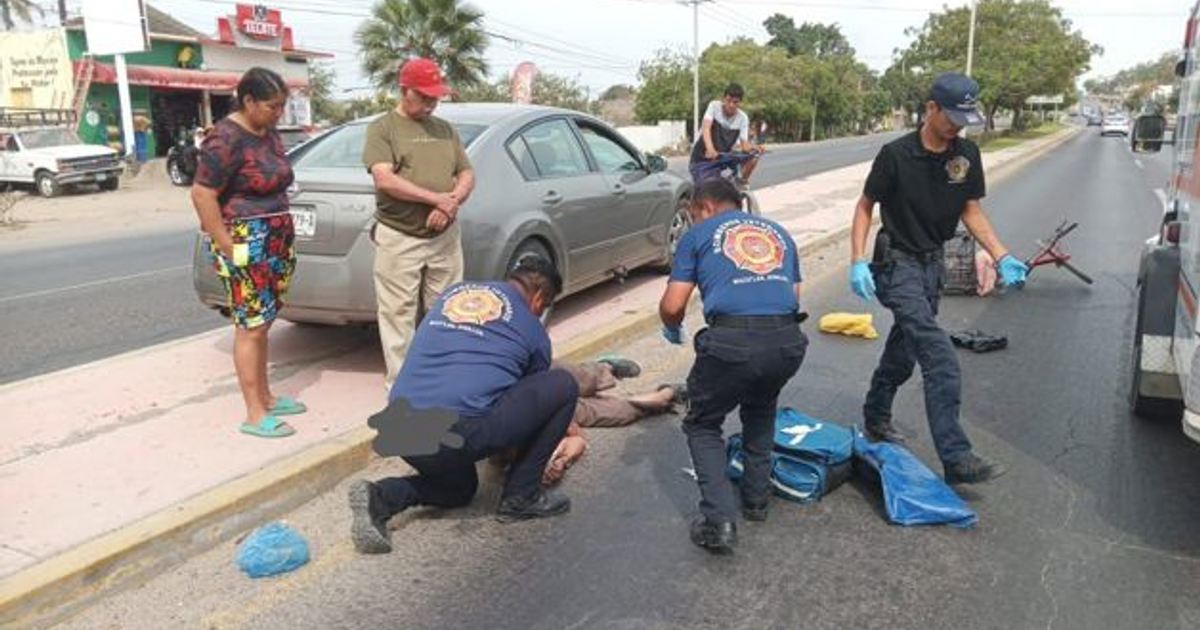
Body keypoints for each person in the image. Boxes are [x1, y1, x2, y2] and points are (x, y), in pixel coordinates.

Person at [848, 71, 1029, 485]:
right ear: (930, 108)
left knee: (906, 347)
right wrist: (857, 260)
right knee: (937, 354)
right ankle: (956, 455)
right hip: (897, 263)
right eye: (951, 116)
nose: (957, 125)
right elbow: (864, 206)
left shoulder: (965, 154)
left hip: (933, 263)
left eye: (965, 117)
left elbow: (971, 211)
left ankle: (876, 413)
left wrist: (1001, 254)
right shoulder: (896, 154)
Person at [348, 257, 578, 555]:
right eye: (544, 306)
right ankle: (521, 498)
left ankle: (382, 497)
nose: (540, 312)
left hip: (398, 428)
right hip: (456, 430)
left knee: (460, 490)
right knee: (563, 385)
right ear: (538, 296)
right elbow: (528, 409)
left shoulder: (454, 293)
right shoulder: (533, 330)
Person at [659, 178, 808, 554]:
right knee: (760, 408)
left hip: (731, 344)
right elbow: (792, 297)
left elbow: (674, 305)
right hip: (787, 343)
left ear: (704, 207)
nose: (693, 220)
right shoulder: (779, 232)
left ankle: (718, 521)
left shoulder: (697, 236)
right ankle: (757, 501)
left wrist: (671, 326)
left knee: (703, 423)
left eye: (693, 214)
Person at [192, 67, 305, 439]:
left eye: (282, 106)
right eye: (272, 106)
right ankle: (254, 413)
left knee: (266, 321)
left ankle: (268, 398)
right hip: (244, 240)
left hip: (276, 238)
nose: (279, 113)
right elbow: (203, 194)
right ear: (249, 101)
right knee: (250, 325)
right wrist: (227, 246)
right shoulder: (224, 138)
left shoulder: (267, 132)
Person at [362, 57, 476, 391]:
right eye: (424, 96)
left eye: (435, 97)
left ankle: (443, 380)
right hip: (400, 236)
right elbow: (385, 180)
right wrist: (435, 199)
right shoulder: (383, 129)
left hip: (444, 236)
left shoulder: (445, 129)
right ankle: (403, 388)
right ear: (404, 90)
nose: (431, 103)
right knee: (398, 316)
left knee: (449, 311)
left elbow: (467, 172)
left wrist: (451, 202)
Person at [688, 83, 762, 190]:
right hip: (702, 158)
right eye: (728, 100)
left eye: (735, 102)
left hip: (723, 156)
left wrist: (755, 147)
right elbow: (706, 128)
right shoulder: (714, 106)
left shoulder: (743, 118)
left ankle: (741, 181)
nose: (731, 105)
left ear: (740, 103)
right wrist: (710, 149)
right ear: (723, 99)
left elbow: (744, 146)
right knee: (710, 190)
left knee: (754, 157)